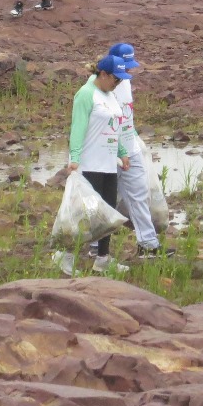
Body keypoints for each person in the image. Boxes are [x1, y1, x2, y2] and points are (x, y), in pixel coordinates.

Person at [64, 54, 132, 275]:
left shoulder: (110, 95)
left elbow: (116, 126)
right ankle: (66, 256)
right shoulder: (86, 94)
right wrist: (74, 158)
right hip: (89, 163)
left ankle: (102, 258)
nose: (118, 83)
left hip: (108, 164)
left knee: (107, 215)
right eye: (116, 78)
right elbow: (78, 127)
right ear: (103, 74)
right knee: (85, 215)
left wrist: (122, 153)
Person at [104, 42, 168, 258]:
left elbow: (126, 118)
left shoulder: (125, 82)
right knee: (104, 200)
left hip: (130, 148)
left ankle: (148, 245)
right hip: (110, 151)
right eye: (125, 65)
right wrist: (118, 151)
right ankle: (95, 247)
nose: (128, 70)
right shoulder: (103, 86)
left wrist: (133, 142)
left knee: (139, 194)